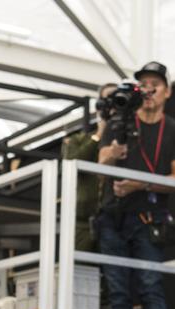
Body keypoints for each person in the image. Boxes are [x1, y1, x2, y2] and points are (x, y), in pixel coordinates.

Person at [96, 62, 175, 309]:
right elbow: (100, 170)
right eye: (143, 84)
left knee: (151, 286)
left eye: (155, 84)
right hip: (112, 217)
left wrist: (141, 184)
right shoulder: (118, 122)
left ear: (168, 91)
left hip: (150, 217)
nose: (148, 90)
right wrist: (112, 154)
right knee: (118, 291)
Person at [62, 83, 118, 253]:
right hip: (83, 221)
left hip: (116, 220)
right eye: (106, 100)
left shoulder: (125, 141)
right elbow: (72, 161)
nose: (110, 104)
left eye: (116, 99)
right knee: (80, 272)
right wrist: (98, 135)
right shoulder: (78, 139)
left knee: (114, 274)